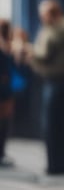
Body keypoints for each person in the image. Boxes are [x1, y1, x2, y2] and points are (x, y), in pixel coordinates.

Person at [27, 0, 64, 175]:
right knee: (59, 124)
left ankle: (55, 166)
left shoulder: (58, 28)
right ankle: (60, 164)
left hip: (57, 82)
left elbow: (44, 52)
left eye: (44, 15)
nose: (42, 19)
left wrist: (30, 50)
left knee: (52, 125)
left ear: (53, 13)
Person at [0, 19, 16, 167]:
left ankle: (2, 152)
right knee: (3, 122)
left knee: (5, 121)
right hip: (4, 87)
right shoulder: (6, 45)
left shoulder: (9, 44)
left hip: (6, 87)